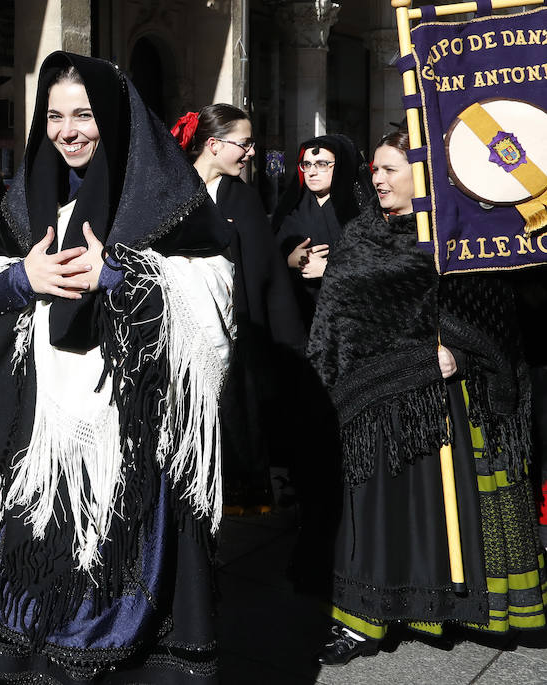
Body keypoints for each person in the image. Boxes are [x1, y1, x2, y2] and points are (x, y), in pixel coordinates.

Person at [0, 51, 235, 683]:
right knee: (28, 596)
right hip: (41, 434)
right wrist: (23, 277)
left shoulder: (165, 192)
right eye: (54, 115)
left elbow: (215, 287)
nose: (67, 130)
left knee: (114, 597)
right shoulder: (28, 191)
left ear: (113, 116)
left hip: (129, 435)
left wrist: (125, 275)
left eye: (83, 114)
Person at [308, 130, 546, 665]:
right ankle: (363, 620)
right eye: (376, 169)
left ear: (423, 175)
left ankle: (459, 605)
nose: (379, 178)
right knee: (377, 515)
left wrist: (460, 355)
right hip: (377, 406)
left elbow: (494, 319)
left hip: (448, 405)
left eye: (392, 169)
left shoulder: (456, 239)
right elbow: (337, 324)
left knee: (446, 512)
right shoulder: (361, 234)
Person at [171, 105, 305, 510]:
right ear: (213, 145)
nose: (251, 152)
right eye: (244, 143)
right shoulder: (170, 190)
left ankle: (226, 504)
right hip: (177, 336)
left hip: (233, 334)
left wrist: (287, 344)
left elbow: (267, 276)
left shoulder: (243, 198)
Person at [272, 134, 372, 328]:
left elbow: (377, 267)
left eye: (322, 164)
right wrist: (288, 259)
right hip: (297, 318)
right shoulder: (291, 208)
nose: (311, 172)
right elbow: (265, 259)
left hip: (348, 321)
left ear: (342, 165)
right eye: (307, 164)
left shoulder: (363, 214)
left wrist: (330, 271)